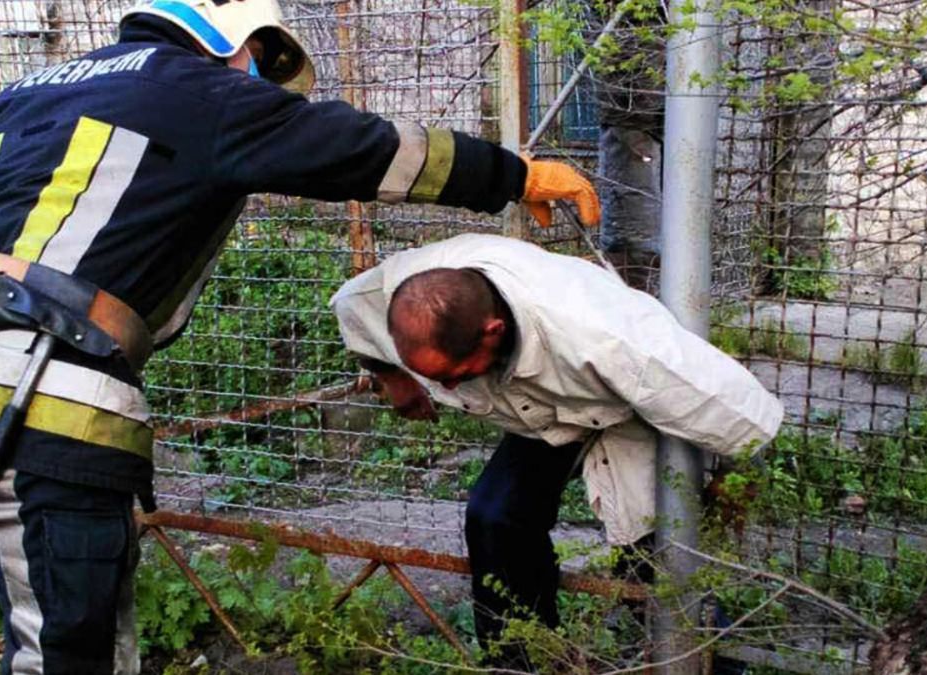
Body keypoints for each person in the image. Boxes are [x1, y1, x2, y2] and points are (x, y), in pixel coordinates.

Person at [0, 0, 599, 672]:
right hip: (48, 391)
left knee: (43, 605)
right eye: (260, 59)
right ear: (231, 37)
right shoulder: (202, 91)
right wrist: (516, 173)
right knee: (70, 645)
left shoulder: (30, 91)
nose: (262, 80)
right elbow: (371, 152)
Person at [329, 232, 783, 668]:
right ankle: (524, 659)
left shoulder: (612, 340)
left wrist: (734, 475)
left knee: (645, 550)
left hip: (620, 412)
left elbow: (733, 405)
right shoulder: (391, 294)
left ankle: (713, 663)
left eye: (454, 373)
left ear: (492, 331)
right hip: (546, 412)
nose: (445, 388)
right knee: (494, 518)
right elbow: (349, 306)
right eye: (432, 375)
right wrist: (395, 378)